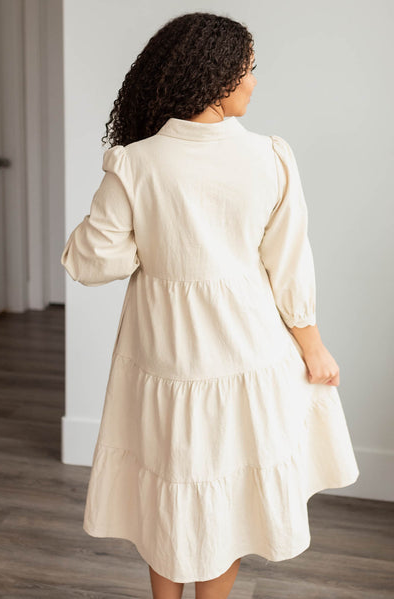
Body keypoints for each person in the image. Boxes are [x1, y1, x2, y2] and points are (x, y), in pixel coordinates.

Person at [61, 11, 360, 599]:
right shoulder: (270, 157)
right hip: (245, 354)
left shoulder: (135, 162)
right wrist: (314, 348)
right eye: (249, 69)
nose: (255, 81)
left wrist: (147, 238)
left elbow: (88, 260)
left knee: (169, 492)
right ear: (218, 80)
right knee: (225, 502)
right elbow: (289, 266)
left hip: (163, 355)